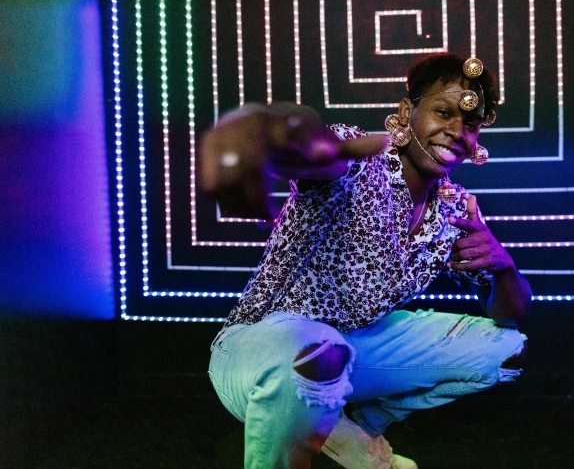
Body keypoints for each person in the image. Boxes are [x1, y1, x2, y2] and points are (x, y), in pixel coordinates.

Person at [200, 53, 532, 469]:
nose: (455, 131)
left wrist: (503, 266)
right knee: (321, 349)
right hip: (258, 350)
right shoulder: (359, 160)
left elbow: (513, 313)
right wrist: (268, 130)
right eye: (443, 112)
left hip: (351, 349)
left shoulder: (453, 210)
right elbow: (314, 148)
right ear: (407, 112)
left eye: (470, 123)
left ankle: (354, 425)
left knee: (505, 351)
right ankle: (321, 415)